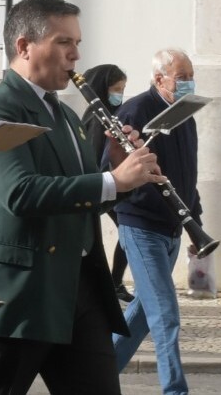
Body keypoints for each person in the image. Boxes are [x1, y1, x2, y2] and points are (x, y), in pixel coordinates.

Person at [0, 0, 164, 395]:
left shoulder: (67, 115)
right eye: (63, 42)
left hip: (79, 291)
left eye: (77, 43)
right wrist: (113, 181)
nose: (76, 54)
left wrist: (116, 171)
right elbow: (21, 193)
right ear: (23, 46)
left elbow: (83, 198)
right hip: (19, 297)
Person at [109, 49, 203, 395]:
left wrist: (195, 220)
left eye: (191, 74)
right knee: (165, 314)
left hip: (174, 229)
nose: (189, 81)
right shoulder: (135, 110)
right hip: (142, 226)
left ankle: (96, 378)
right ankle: (175, 391)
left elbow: (188, 174)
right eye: (182, 76)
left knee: (142, 314)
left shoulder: (184, 115)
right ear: (160, 78)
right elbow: (114, 169)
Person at [81, 63, 134, 302]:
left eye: (123, 89)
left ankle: (114, 282)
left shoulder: (114, 114)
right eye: (116, 89)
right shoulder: (96, 118)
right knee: (127, 230)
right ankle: (112, 283)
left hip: (113, 183)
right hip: (106, 184)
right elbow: (93, 156)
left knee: (126, 231)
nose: (120, 94)